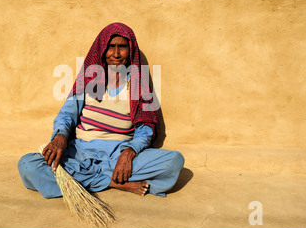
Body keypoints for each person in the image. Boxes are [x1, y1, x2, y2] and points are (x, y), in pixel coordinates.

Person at [18, 23, 184, 198]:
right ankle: (113, 182)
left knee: (173, 162)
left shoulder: (138, 82)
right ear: (102, 50)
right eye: (111, 47)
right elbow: (67, 114)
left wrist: (129, 152)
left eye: (122, 47)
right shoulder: (90, 77)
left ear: (131, 51)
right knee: (27, 165)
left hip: (117, 155)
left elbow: (146, 127)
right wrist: (60, 136)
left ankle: (86, 180)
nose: (116, 54)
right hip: (79, 153)